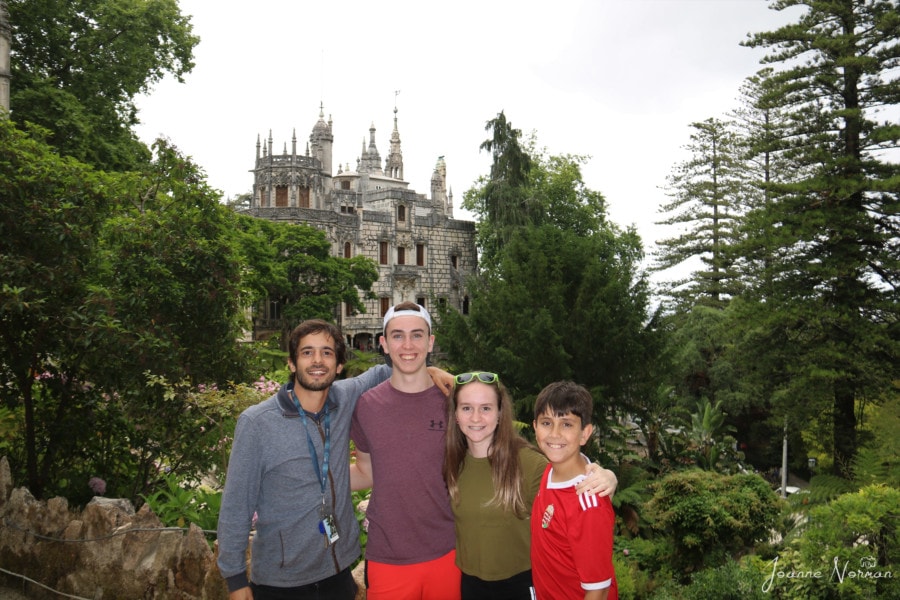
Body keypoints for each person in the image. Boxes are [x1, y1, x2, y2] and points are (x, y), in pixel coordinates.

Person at [216, 318, 452, 600]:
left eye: (327, 353)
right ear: (292, 363)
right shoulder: (257, 423)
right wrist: (235, 580)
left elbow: (386, 369)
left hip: (337, 574)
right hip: (281, 581)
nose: (317, 361)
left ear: (339, 366)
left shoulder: (345, 398)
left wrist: (434, 371)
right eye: (307, 352)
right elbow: (235, 505)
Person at [443, 372, 617, 600]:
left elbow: (570, 480)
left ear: (499, 414)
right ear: (455, 415)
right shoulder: (454, 461)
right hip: (471, 584)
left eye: (486, 408)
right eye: (466, 408)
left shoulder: (530, 463)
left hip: (520, 584)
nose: (476, 417)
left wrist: (607, 476)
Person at [350, 301, 461, 600]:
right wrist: (307, 476)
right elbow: (366, 472)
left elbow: (499, 452)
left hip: (449, 552)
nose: (408, 345)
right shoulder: (366, 406)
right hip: (388, 558)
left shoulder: (455, 402)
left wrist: (594, 470)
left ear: (430, 341)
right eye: (398, 336)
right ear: (384, 343)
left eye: (417, 335)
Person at [530, 381, 618, 600]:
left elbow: (598, 590)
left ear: (585, 433)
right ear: (535, 427)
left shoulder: (587, 502)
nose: (555, 434)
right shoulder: (550, 470)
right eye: (546, 423)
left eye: (567, 424)